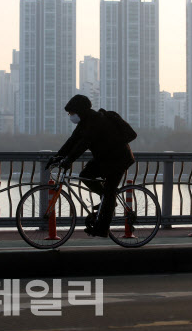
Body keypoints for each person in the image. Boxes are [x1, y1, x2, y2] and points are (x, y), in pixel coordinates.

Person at [46, 94, 135, 237]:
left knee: (109, 191)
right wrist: (58, 157)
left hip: (119, 158)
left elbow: (84, 143)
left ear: (80, 110)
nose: (71, 116)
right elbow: (72, 141)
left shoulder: (96, 120)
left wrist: (69, 160)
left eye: (72, 113)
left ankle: (102, 229)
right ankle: (106, 201)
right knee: (85, 175)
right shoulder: (85, 122)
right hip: (105, 158)